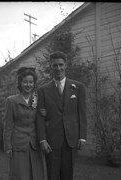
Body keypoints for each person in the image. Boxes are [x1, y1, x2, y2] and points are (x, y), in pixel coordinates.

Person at [36, 51, 87, 180]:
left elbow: (82, 113)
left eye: (60, 64)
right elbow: (40, 117)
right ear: (51, 66)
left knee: (68, 175)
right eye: (55, 65)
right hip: (51, 141)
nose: (58, 68)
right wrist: (42, 140)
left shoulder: (78, 87)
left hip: (71, 140)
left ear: (66, 65)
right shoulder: (43, 90)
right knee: (52, 175)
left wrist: (82, 137)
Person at [3, 67, 46, 180]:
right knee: (20, 176)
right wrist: (8, 146)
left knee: (36, 176)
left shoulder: (38, 99)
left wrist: (44, 113)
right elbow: (8, 126)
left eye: (31, 82)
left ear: (34, 83)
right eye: (25, 82)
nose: (28, 84)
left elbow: (42, 120)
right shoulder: (11, 101)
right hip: (18, 145)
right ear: (20, 83)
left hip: (34, 145)